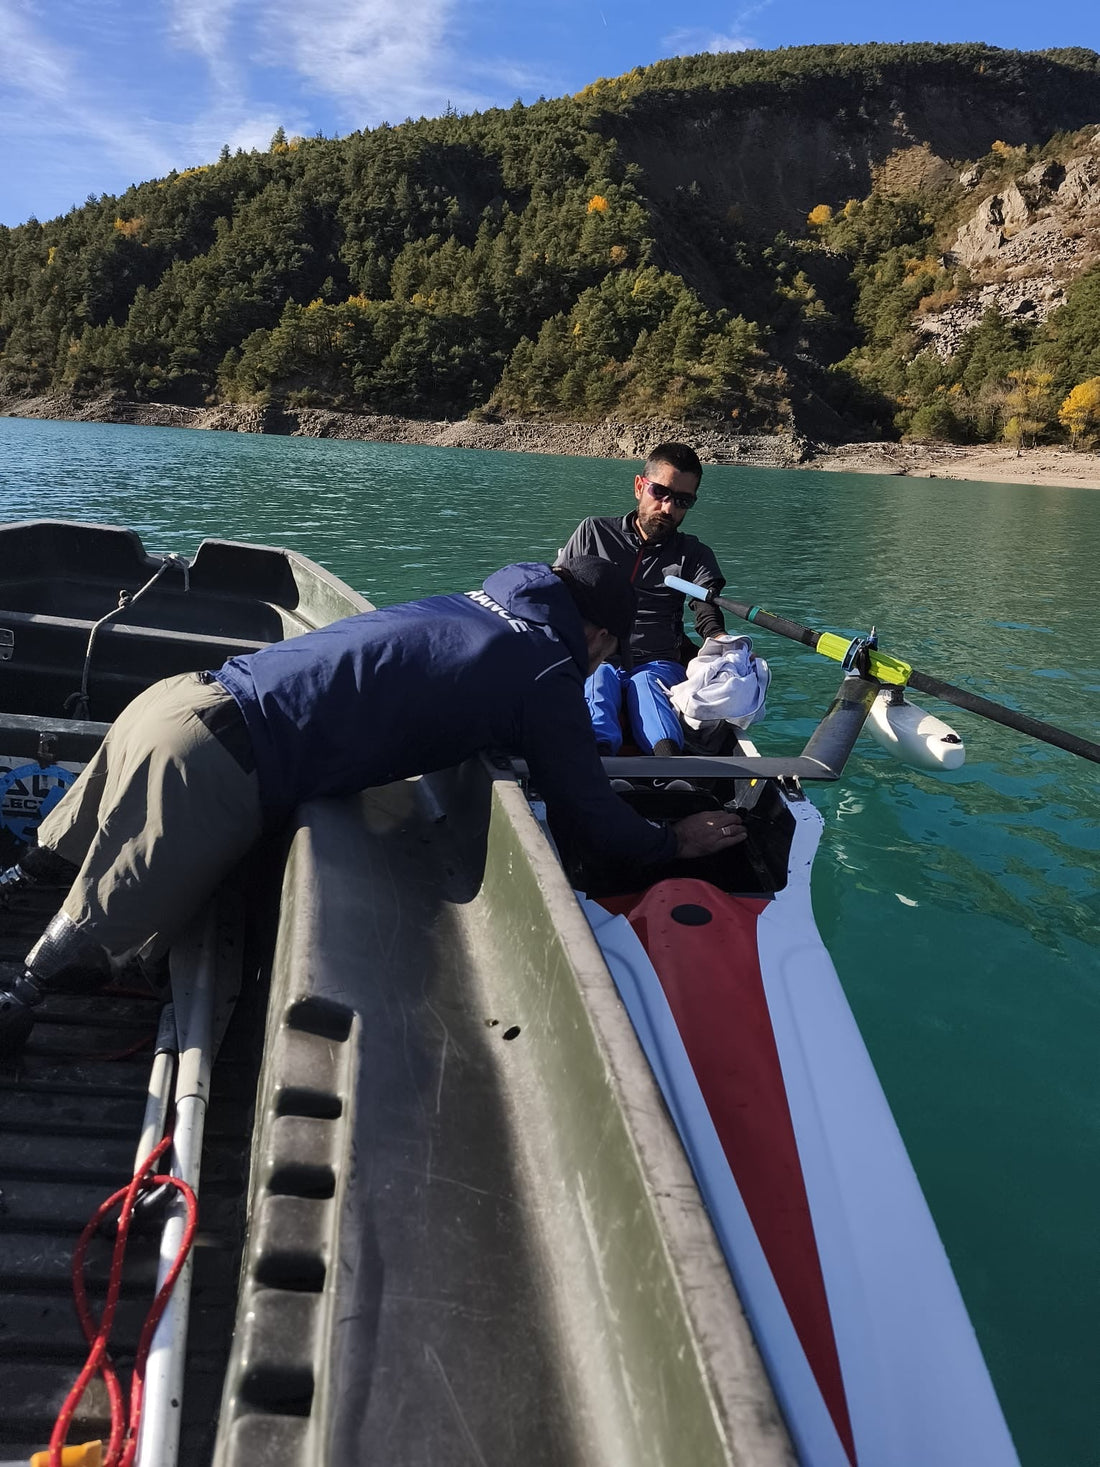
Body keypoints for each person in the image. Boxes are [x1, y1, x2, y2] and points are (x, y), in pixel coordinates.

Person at [0, 557, 745, 1052]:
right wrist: (671, 843)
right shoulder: (549, 663)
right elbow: (589, 807)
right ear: (600, 634)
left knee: (42, 866)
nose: (598, 667)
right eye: (605, 656)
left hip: (175, 699)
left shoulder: (477, 601)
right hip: (214, 763)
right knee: (75, 957)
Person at [557, 442, 728, 757]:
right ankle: (599, 762)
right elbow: (559, 592)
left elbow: (706, 609)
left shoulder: (694, 554)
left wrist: (724, 643)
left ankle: (669, 773)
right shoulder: (593, 532)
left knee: (648, 686)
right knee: (598, 680)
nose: (668, 508)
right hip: (598, 655)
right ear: (639, 486)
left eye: (682, 501)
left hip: (658, 661)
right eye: (660, 493)